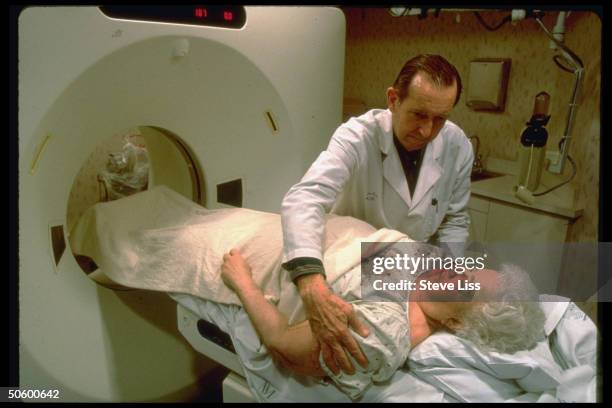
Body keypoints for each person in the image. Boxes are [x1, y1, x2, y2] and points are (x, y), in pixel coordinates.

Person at [281, 54, 474, 375]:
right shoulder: (357, 136)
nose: (428, 130)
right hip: (353, 263)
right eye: (419, 114)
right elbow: (304, 198)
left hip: (412, 271)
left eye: (439, 118)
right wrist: (311, 283)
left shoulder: (456, 144)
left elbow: (455, 219)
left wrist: (450, 276)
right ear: (393, 99)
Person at [221, 248, 545, 400]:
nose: (454, 272)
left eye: (465, 288)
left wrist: (242, 281)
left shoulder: (380, 332)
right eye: (467, 270)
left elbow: (286, 346)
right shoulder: (424, 281)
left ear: (456, 324)